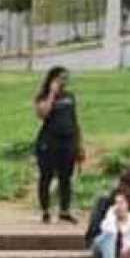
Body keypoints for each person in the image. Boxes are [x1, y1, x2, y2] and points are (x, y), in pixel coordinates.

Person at [32, 66, 83, 223]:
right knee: (46, 176)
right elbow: (42, 114)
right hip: (49, 141)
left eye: (66, 78)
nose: (64, 82)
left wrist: (79, 144)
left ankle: (64, 210)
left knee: (65, 177)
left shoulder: (69, 97)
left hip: (68, 141)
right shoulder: (43, 96)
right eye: (61, 78)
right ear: (52, 79)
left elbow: (75, 120)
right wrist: (52, 94)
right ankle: (46, 210)